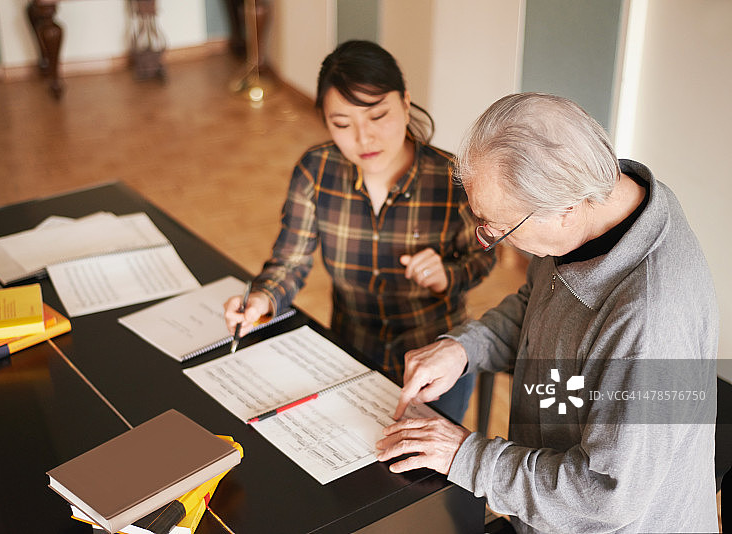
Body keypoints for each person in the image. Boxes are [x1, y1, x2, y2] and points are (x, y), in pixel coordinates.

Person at [376, 93, 718, 533]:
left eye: (500, 228)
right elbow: (537, 306)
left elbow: (603, 496)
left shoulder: (648, 319)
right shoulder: (592, 207)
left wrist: (465, 455)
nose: (489, 239)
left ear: (566, 210)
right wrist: (463, 350)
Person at [223, 40, 495, 421]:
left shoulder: (451, 180)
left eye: (377, 116)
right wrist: (263, 299)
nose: (363, 139)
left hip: (434, 363)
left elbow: (484, 256)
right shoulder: (316, 172)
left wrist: (447, 275)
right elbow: (291, 260)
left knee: (422, 475)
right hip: (349, 352)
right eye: (342, 124)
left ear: (404, 102)